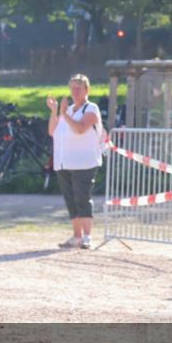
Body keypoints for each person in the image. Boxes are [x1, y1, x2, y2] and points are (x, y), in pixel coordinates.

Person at [47, 74, 103, 249]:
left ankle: (87, 236)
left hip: (84, 162)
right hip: (64, 162)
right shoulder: (69, 110)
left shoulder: (91, 108)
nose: (75, 92)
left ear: (87, 89)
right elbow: (52, 131)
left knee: (82, 197)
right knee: (70, 199)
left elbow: (79, 129)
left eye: (79, 88)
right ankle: (76, 236)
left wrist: (64, 113)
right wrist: (55, 111)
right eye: (72, 88)